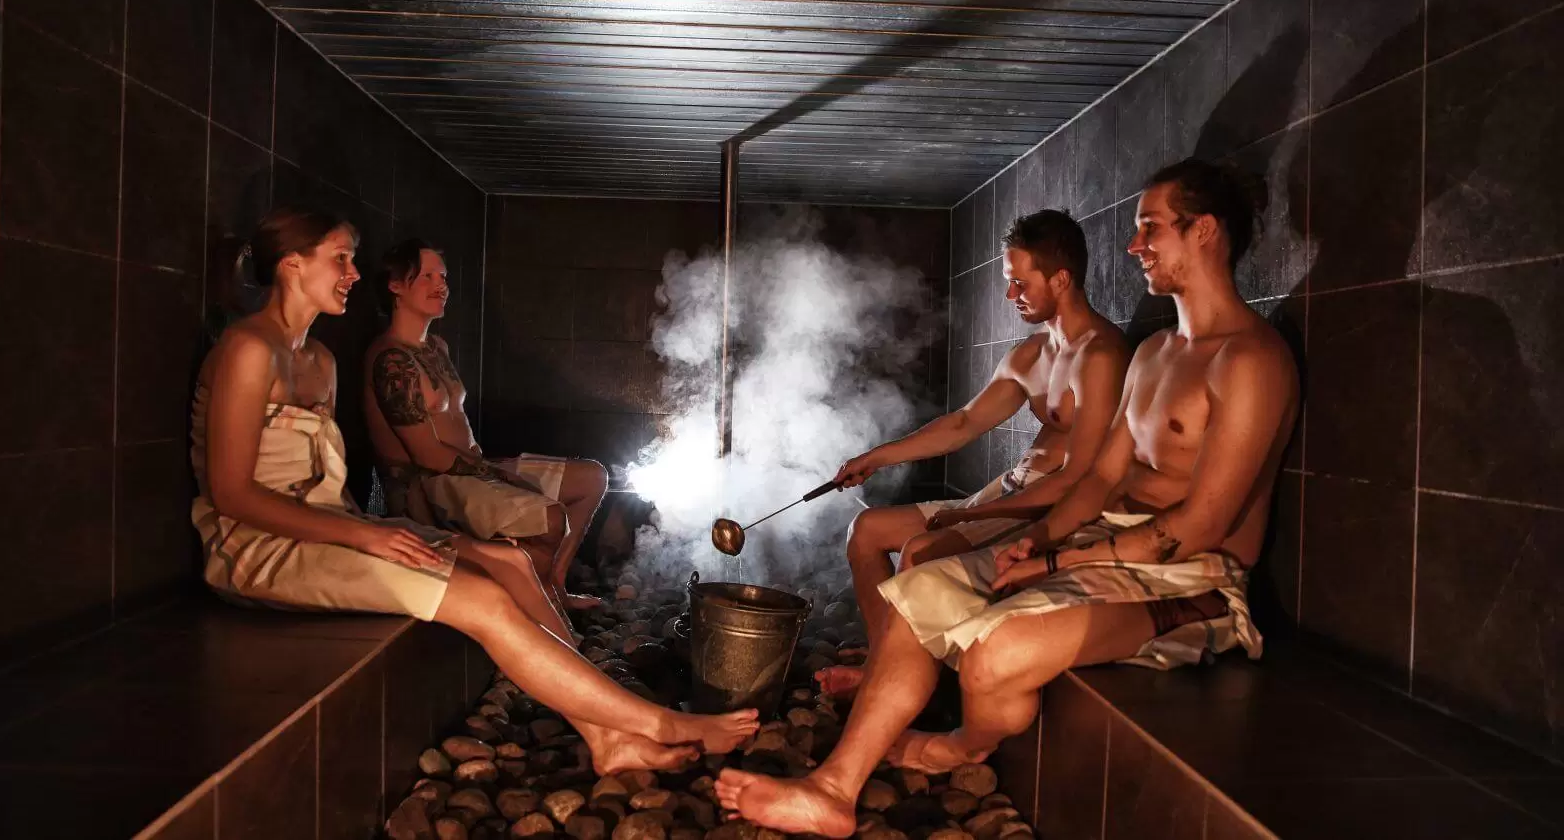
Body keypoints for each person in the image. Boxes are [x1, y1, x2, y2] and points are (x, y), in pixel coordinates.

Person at [715, 159, 1299, 836]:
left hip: (1192, 577)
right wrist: (1038, 541)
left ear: (1205, 232)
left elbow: (1201, 524)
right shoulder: (1156, 354)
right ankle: (832, 790)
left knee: (993, 658)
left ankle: (958, 747)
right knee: (919, 588)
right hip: (1102, 539)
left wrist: (1050, 560)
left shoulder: (1249, 361)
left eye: (1151, 228)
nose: (1134, 245)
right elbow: (1100, 481)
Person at [192, 207, 757, 774]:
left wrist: (366, 529)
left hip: (329, 527)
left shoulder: (318, 359)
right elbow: (231, 495)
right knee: (484, 600)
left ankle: (606, 733)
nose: (353, 273)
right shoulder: (250, 349)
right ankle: (653, 723)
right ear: (292, 265)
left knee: (508, 561)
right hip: (261, 549)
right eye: (340, 259)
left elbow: (322, 482)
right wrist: (366, 537)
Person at [824, 210, 1128, 694]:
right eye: (1009, 282)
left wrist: (970, 516)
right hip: (1009, 490)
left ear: (1061, 278)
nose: (1010, 295)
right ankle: (891, 658)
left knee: (920, 550)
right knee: (866, 530)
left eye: (1021, 284)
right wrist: (876, 458)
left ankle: (894, 680)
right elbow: (963, 423)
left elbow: (1080, 478)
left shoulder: (1101, 356)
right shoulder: (1032, 354)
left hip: (1047, 504)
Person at [362, 238, 608, 611]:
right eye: (427, 276)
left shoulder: (437, 347)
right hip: (431, 484)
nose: (441, 285)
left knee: (591, 478)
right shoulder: (391, 359)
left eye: (443, 276)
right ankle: (540, 607)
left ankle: (553, 586)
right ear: (395, 285)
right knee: (550, 517)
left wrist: (492, 469)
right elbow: (427, 456)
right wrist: (500, 474)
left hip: (472, 470)